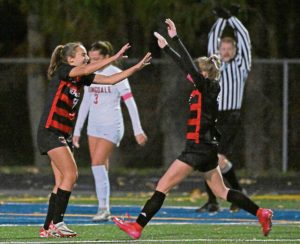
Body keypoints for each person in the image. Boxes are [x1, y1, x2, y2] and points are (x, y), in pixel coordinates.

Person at [112, 18, 272, 240]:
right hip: (207, 148)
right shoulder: (207, 87)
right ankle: (260, 212)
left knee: (162, 186)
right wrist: (166, 48)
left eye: (197, 72)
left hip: (197, 148)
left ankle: (137, 227)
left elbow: (186, 63)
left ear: (203, 75)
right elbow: (184, 66)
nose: (192, 74)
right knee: (222, 191)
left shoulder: (206, 86)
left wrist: (174, 39)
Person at [37, 41, 151, 238]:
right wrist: (113, 58)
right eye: (82, 54)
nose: (86, 57)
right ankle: (58, 223)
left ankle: (47, 227)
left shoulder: (81, 79)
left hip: (62, 134)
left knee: (61, 181)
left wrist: (136, 67)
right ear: (70, 59)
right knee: (71, 175)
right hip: (50, 131)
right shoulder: (64, 70)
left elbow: (112, 79)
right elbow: (86, 68)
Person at [72, 41, 148, 222]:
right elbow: (86, 103)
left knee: (97, 163)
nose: (93, 61)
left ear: (107, 57)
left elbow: (129, 102)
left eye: (97, 58)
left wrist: (138, 129)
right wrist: (77, 130)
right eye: (91, 58)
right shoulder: (89, 73)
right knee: (100, 165)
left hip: (112, 125)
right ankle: (104, 206)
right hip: (94, 126)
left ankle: (103, 208)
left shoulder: (116, 74)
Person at [197, 6, 251, 213]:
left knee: (216, 159)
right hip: (213, 115)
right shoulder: (215, 66)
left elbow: (245, 40)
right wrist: (221, 20)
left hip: (231, 117)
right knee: (207, 158)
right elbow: (212, 41)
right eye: (223, 48)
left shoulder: (241, 65)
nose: (226, 51)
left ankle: (236, 194)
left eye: (230, 48)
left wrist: (233, 19)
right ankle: (215, 200)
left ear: (235, 51)